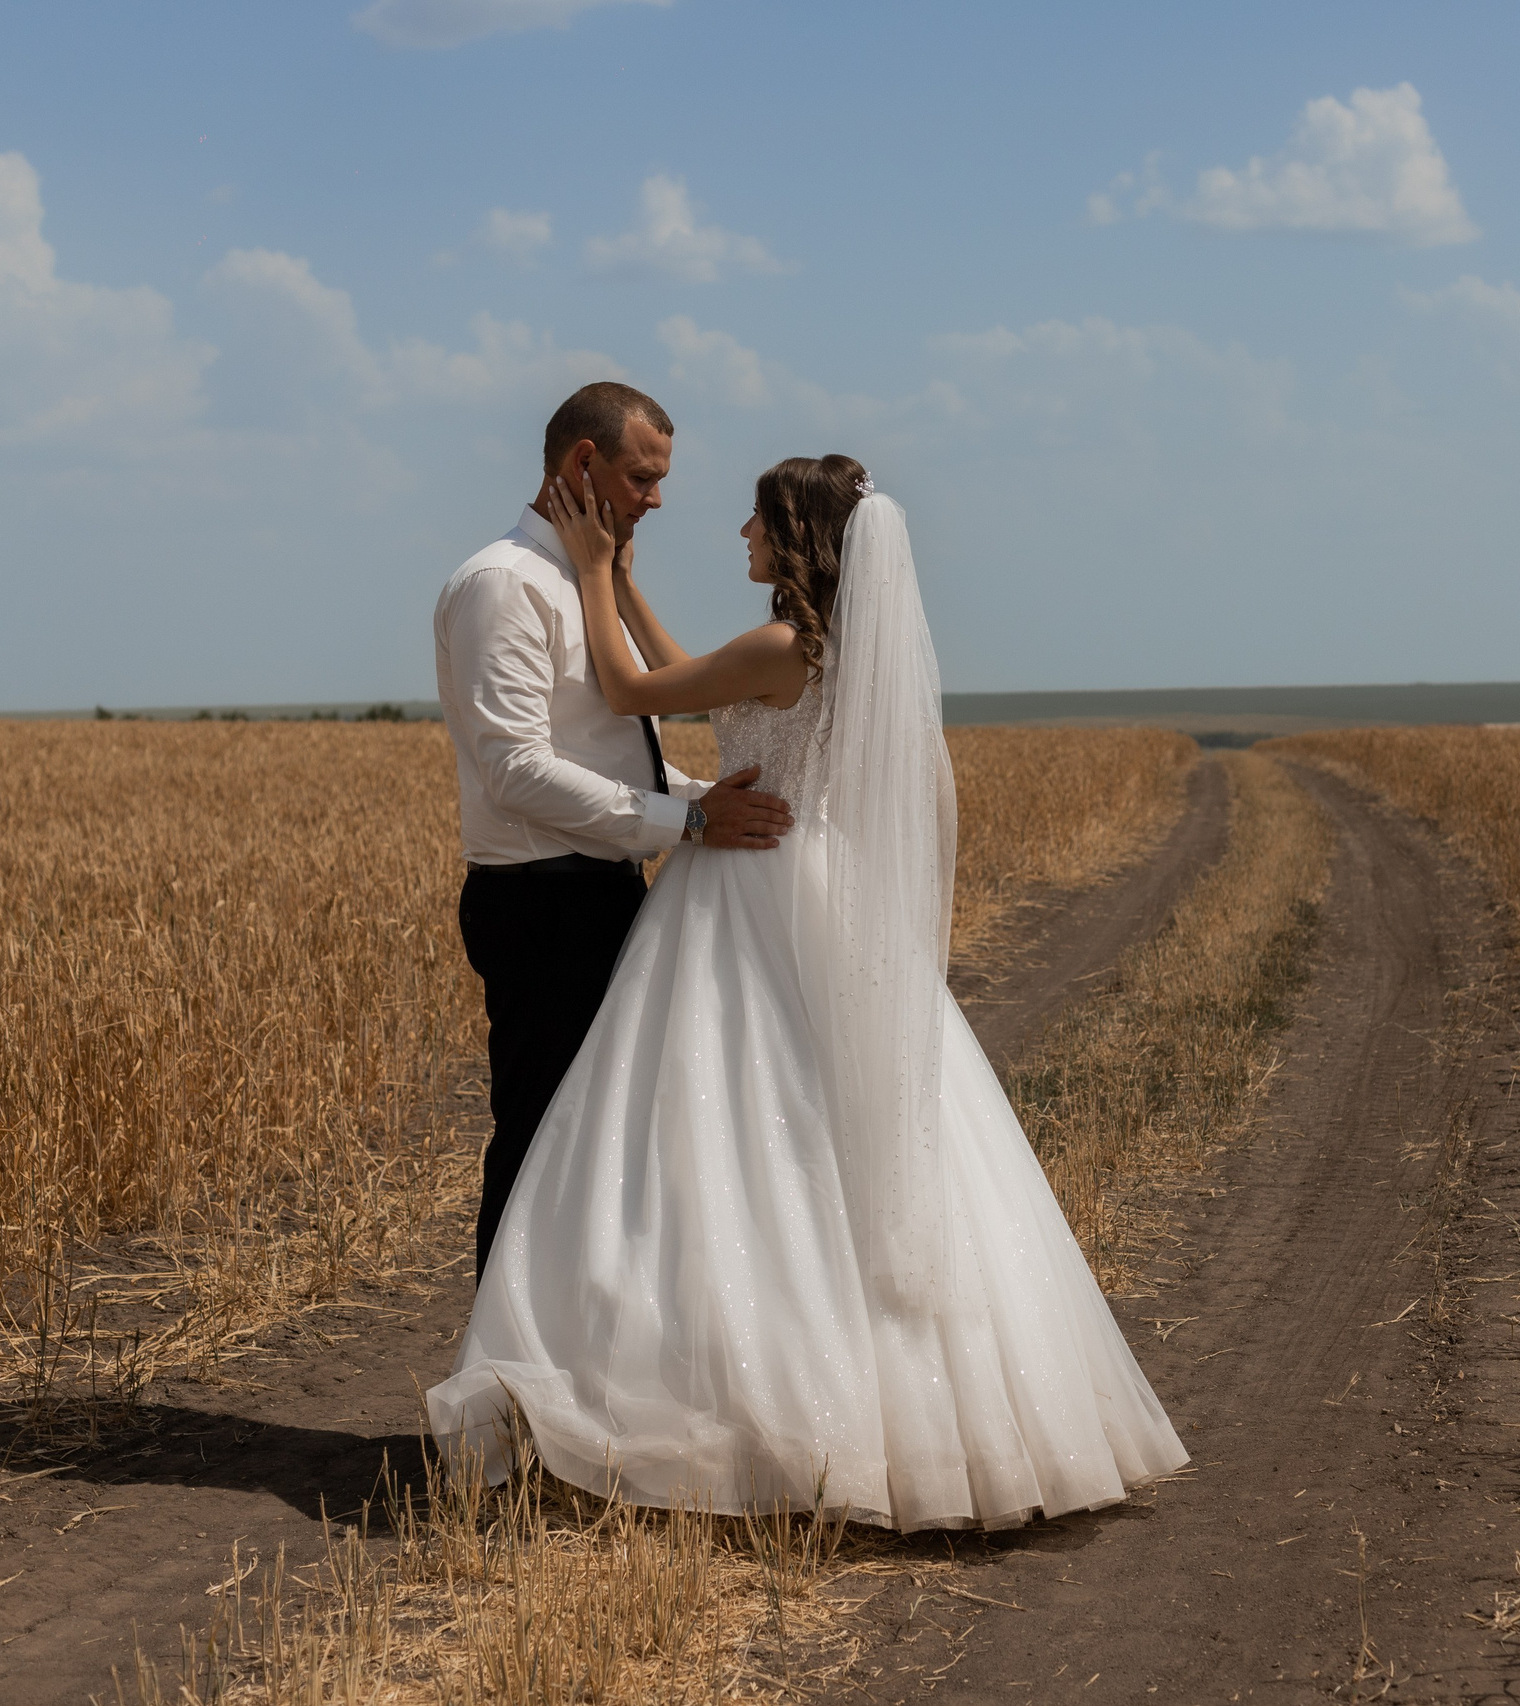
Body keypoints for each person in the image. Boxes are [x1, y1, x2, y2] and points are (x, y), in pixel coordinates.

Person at [426, 453, 1187, 1530]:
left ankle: (731, 1402)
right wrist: (630, 580)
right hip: (804, 876)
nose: (737, 531)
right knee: (806, 1116)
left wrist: (594, 572)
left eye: (756, 521)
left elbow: (640, 691)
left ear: (796, 541)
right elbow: (695, 670)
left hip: (747, 882)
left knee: (732, 1117)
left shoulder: (782, 646)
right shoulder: (813, 651)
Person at [434, 383, 795, 1280]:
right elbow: (516, 770)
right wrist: (693, 820)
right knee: (540, 1140)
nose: (657, 500)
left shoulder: (579, 584)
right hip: (540, 903)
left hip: (600, 894)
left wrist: (712, 796)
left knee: (602, 1150)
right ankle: (499, 1396)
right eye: (642, 477)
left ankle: (570, 1377)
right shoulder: (503, 587)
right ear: (581, 463)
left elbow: (606, 757)